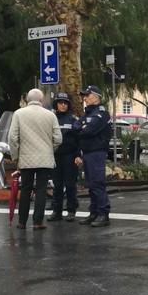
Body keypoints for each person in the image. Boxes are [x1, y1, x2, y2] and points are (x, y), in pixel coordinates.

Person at [8, 88, 62, 229]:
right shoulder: (50, 115)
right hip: (45, 158)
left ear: (27, 99)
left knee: (26, 189)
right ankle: (38, 222)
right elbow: (58, 138)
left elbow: (13, 137)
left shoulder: (19, 114)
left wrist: (15, 156)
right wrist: (50, 150)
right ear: (41, 100)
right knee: (41, 189)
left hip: (26, 158)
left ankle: (22, 222)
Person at [75, 85, 112, 227]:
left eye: (87, 95)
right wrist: (81, 127)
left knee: (97, 183)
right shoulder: (88, 113)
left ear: (96, 97)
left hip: (97, 152)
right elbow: (75, 127)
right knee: (91, 185)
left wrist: (82, 128)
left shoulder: (102, 113)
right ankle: (94, 212)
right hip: (88, 152)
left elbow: (88, 131)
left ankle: (103, 214)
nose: (84, 98)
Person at [46, 92, 80, 222]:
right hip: (55, 156)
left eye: (65, 103)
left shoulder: (73, 119)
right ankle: (57, 211)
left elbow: (79, 139)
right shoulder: (51, 118)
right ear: (56, 104)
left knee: (70, 184)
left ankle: (71, 210)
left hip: (69, 155)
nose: (63, 105)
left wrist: (78, 155)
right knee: (57, 184)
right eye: (60, 103)